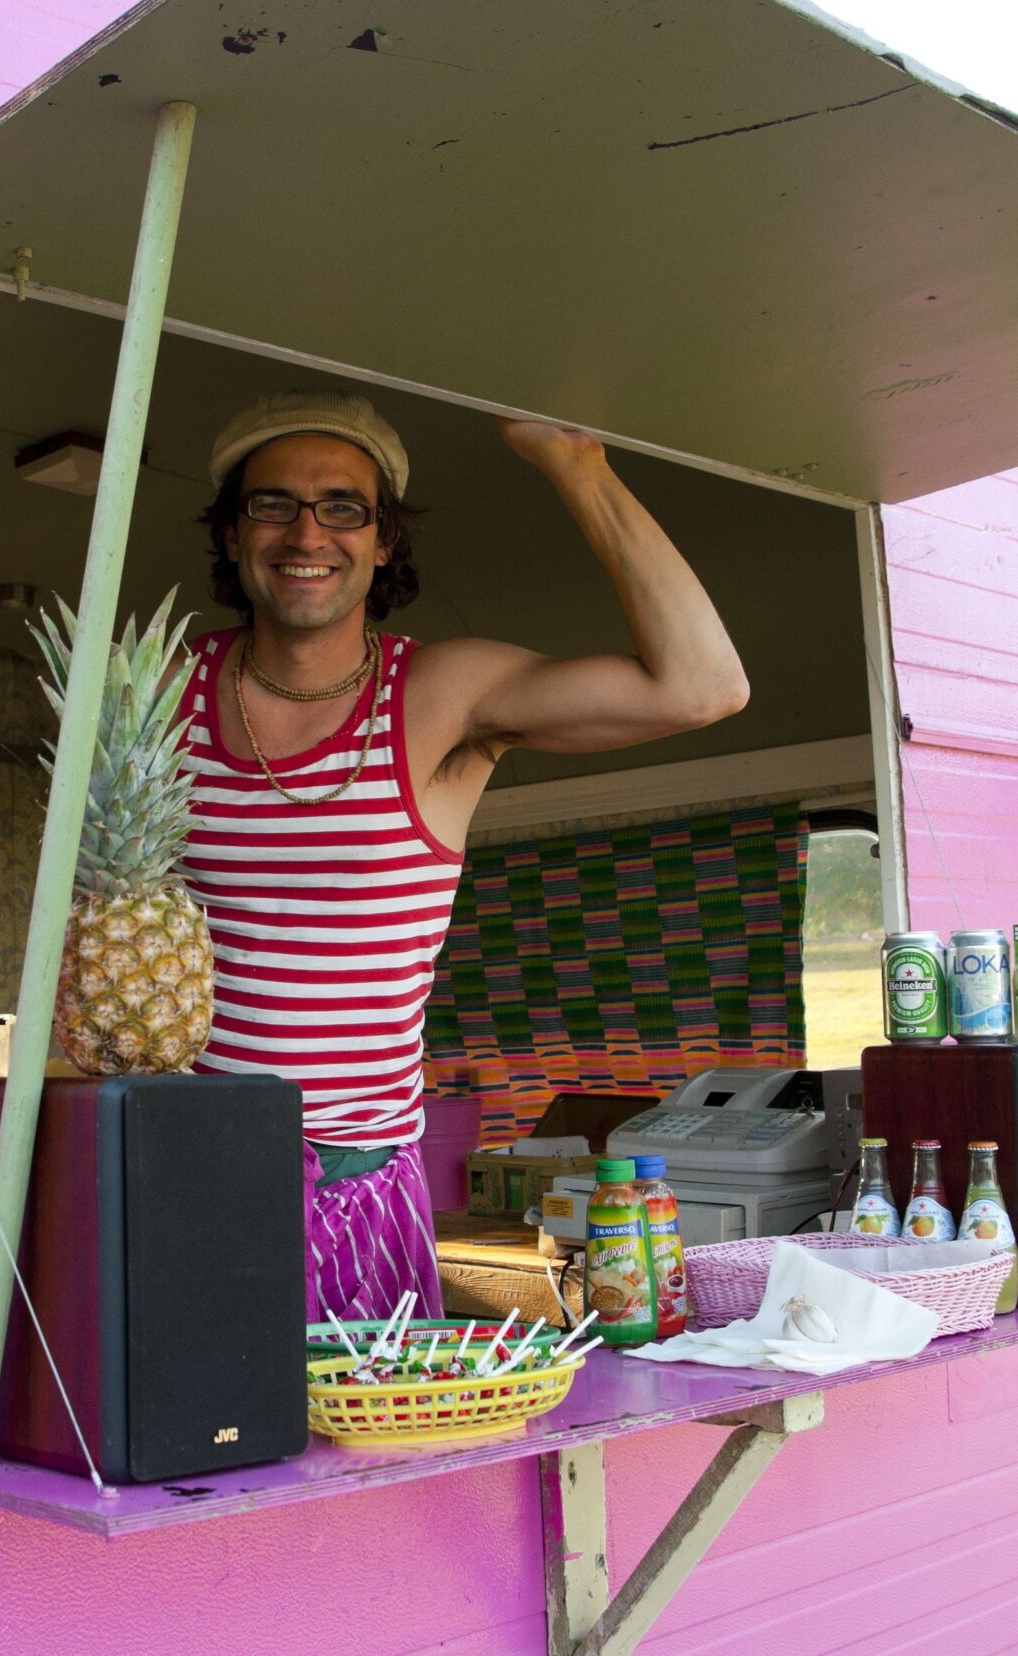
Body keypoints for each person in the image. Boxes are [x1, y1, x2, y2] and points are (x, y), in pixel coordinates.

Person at [179, 389, 749, 1322]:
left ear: (384, 539)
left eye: (343, 507)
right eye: (271, 503)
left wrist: (577, 464)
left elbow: (703, 687)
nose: (304, 532)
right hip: (189, 1177)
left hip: (358, 1190)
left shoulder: (442, 691)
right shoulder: (166, 693)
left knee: (364, 1447)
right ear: (233, 533)